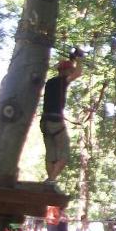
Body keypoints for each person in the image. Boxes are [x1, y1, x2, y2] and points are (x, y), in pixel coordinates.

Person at [40, 48, 84, 191]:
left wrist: (72, 58)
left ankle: (50, 182)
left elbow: (67, 69)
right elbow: (77, 73)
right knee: (64, 154)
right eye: (69, 71)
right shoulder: (62, 82)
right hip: (55, 122)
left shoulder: (51, 82)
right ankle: (51, 180)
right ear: (65, 72)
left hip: (45, 122)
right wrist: (80, 58)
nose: (71, 73)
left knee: (51, 156)